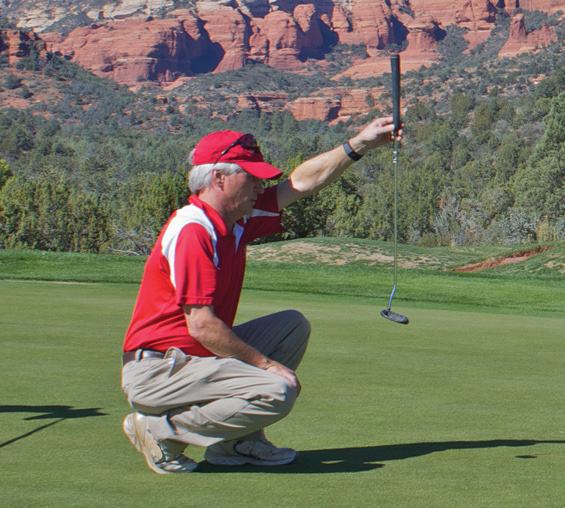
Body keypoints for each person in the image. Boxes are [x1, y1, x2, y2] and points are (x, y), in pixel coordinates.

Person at [119, 117, 399, 474]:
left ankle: (237, 443)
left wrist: (361, 143)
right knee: (276, 391)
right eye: (250, 176)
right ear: (218, 178)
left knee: (290, 326)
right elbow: (202, 327)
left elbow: (302, 184)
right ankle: (160, 432)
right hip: (159, 369)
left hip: (191, 359)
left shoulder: (238, 219)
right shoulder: (193, 230)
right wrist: (266, 365)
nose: (259, 183)